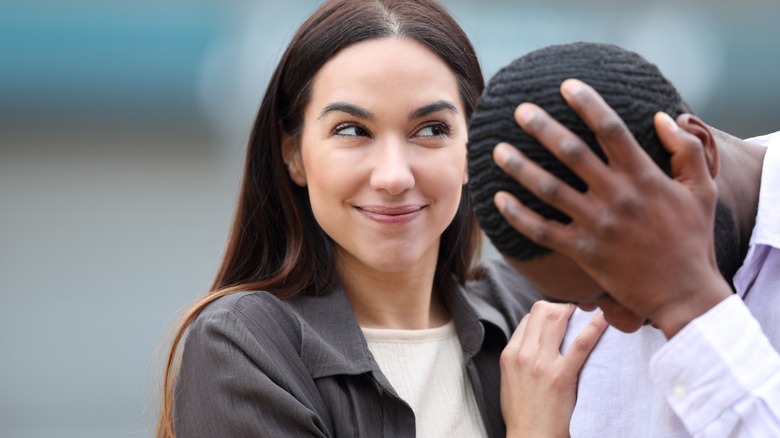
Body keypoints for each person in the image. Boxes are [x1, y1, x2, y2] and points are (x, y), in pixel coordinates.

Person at [155, 3, 606, 437]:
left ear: (474, 149)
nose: (394, 176)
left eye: (431, 129)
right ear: (293, 153)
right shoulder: (243, 346)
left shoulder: (539, 314)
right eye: (352, 130)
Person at [468, 41, 780, 436]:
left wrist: (687, 302)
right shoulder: (558, 356)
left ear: (696, 151)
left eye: (624, 287)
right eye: (585, 301)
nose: (623, 323)